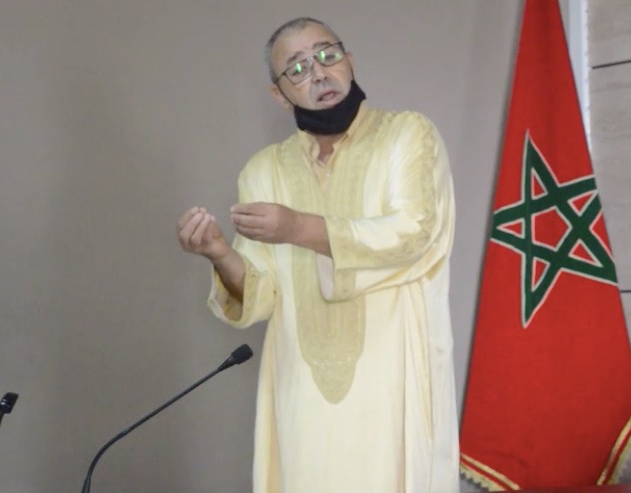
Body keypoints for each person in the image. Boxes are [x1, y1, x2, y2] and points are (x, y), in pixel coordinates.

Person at [177, 17, 459, 493]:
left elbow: (416, 232)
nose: (319, 73)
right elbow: (261, 293)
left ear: (350, 61)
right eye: (298, 68)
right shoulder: (264, 171)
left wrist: (299, 228)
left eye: (327, 55)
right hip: (302, 390)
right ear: (279, 95)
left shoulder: (407, 135)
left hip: (394, 376)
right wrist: (219, 254)